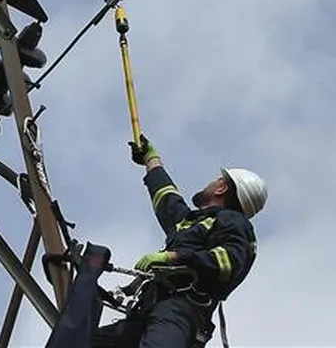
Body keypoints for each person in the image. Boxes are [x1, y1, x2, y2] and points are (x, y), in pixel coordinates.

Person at [92, 134, 267, 348]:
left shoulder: (234, 223)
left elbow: (229, 261)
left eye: (218, 179)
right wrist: (151, 159)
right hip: (149, 311)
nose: (212, 181)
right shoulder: (193, 224)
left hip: (181, 311)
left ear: (222, 189)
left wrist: (173, 257)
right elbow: (167, 198)